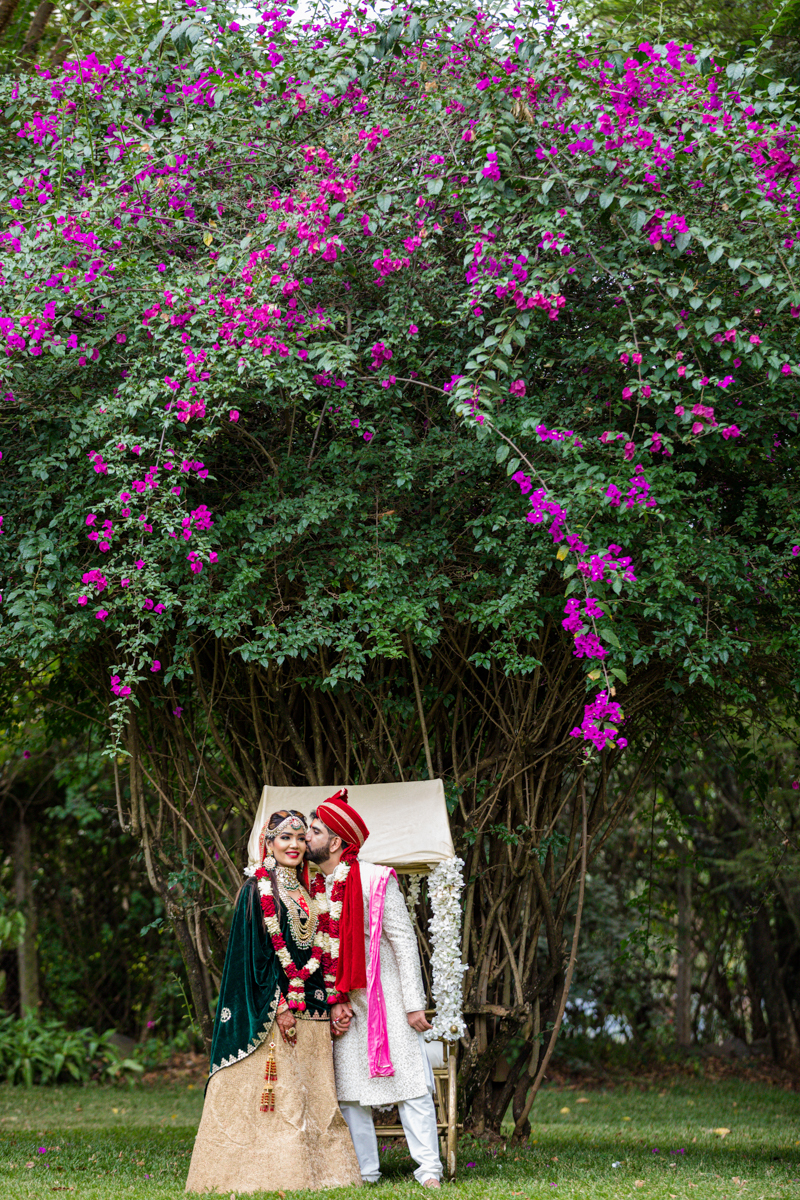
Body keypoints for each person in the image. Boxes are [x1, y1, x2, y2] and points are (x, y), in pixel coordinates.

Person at [185, 809, 360, 1194]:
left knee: (313, 1097)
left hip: (313, 1010)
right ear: (268, 843)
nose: (295, 845)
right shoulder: (256, 889)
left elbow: (323, 952)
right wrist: (279, 1006)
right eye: (285, 838)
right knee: (281, 1098)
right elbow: (254, 953)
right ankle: (263, 1175)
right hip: (274, 1010)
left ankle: (323, 1176)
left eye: (300, 838)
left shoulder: (312, 889)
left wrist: (331, 1000)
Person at [305, 788, 444, 1189]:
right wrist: (334, 1001)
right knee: (350, 1092)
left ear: (334, 842)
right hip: (342, 1001)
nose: (305, 839)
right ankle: (365, 1172)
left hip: (387, 999)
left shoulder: (376, 879)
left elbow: (403, 942)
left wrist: (415, 1005)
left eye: (314, 831)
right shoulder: (313, 887)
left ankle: (428, 1171)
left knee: (411, 1085)